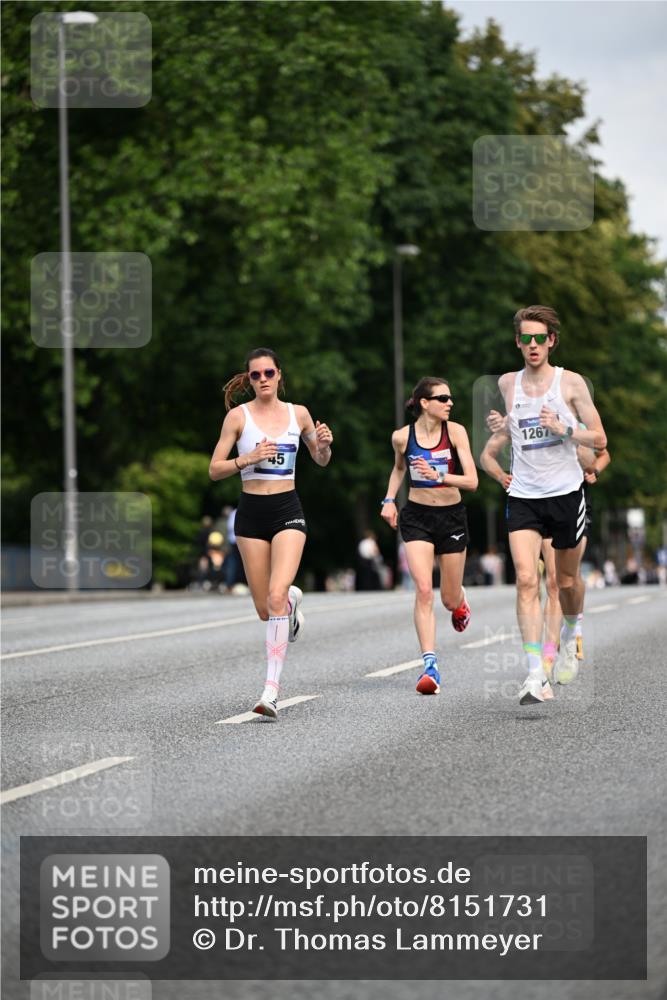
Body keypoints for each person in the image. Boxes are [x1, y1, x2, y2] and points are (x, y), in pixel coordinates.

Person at [480, 305, 607, 705]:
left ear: (551, 341)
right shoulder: (507, 384)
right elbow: (514, 428)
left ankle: (571, 631)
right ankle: (536, 673)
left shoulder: (570, 384)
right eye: (526, 339)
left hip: (566, 493)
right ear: (518, 342)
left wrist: (565, 428)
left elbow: (599, 439)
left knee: (565, 583)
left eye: (540, 339)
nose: (533, 346)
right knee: (526, 579)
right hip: (524, 495)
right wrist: (504, 427)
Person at [209, 348, 333, 718]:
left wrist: (324, 445)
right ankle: (291, 603)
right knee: (266, 609)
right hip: (250, 515)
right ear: (249, 380)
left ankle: (270, 691)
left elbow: (321, 459)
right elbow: (215, 469)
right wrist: (247, 458)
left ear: (280, 375)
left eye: (268, 373)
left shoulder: (299, 414)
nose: (262, 380)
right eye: (255, 375)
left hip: (287, 511)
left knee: (275, 595)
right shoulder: (238, 417)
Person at [486, 410, 611, 670]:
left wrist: (594, 470)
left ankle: (572, 627)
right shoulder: (522, 414)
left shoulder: (574, 421)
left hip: (574, 502)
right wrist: (501, 475)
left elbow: (602, 453)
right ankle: (547, 654)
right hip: (534, 503)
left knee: (563, 579)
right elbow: (488, 453)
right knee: (536, 580)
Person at [380, 376, 478, 695]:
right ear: (425, 403)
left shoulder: (456, 432)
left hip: (451, 517)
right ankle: (430, 666)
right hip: (417, 517)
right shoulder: (401, 437)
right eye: (443, 398)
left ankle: (460, 601)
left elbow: (473, 481)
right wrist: (389, 500)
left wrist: (440, 475)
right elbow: (399, 468)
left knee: (447, 598)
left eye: (451, 398)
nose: (450, 403)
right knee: (423, 590)